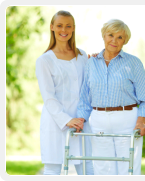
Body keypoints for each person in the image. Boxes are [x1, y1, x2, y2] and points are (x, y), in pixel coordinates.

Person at [77, 19, 145, 175]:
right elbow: (85, 96)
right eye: (110, 35)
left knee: (129, 167)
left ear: (125, 40)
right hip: (98, 119)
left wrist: (141, 122)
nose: (114, 40)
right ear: (104, 36)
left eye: (120, 37)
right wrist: (80, 120)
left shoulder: (133, 63)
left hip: (127, 120)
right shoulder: (91, 63)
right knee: (101, 167)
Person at [35, 10, 94, 175]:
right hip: (56, 122)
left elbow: (88, 87)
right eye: (60, 25)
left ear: (73, 28)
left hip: (82, 121)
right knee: (53, 168)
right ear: (52, 27)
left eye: (68, 26)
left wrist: (97, 62)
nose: (64, 30)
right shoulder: (44, 60)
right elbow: (48, 97)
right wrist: (67, 120)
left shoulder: (82, 56)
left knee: (87, 167)